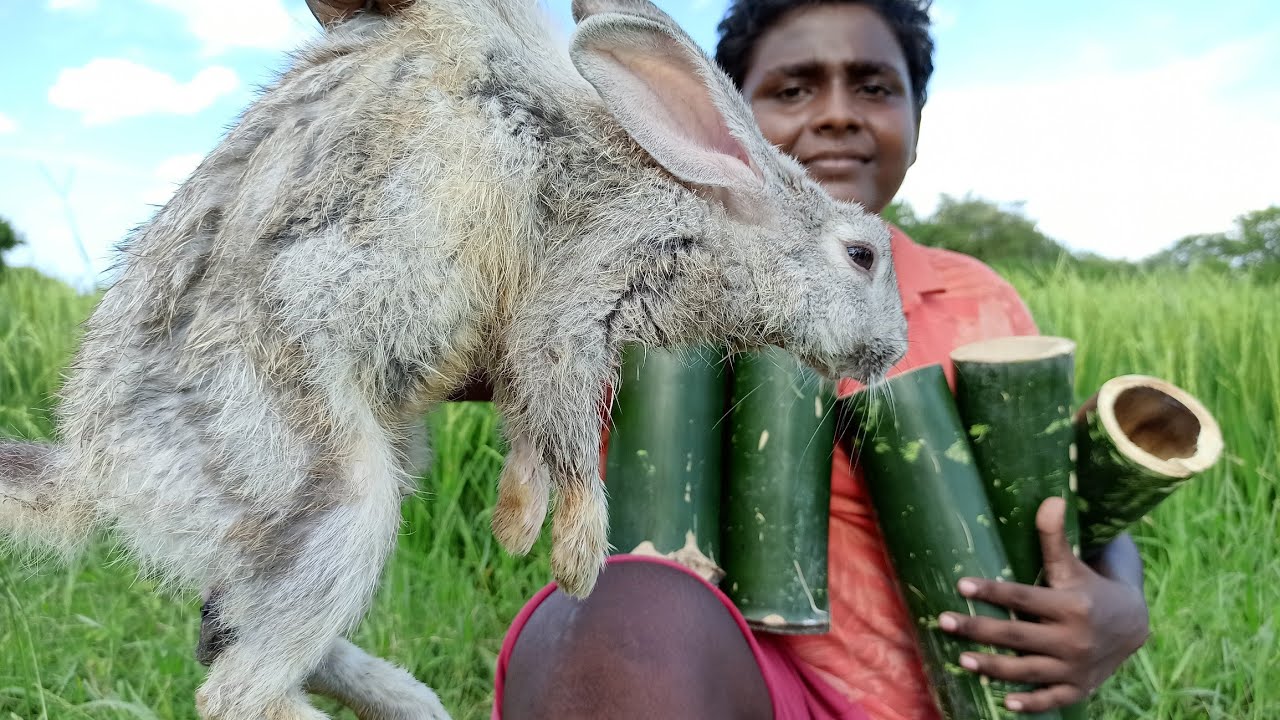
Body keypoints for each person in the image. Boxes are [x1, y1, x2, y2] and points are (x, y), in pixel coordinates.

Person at [302, 2, 1151, 718]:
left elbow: (1066, 492)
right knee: (630, 610)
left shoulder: (975, 299)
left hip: (954, 690)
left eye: (875, 86)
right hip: (721, 685)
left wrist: (1119, 603)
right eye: (791, 88)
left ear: (917, 125)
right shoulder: (646, 274)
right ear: (723, 129)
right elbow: (452, 330)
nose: (836, 114)